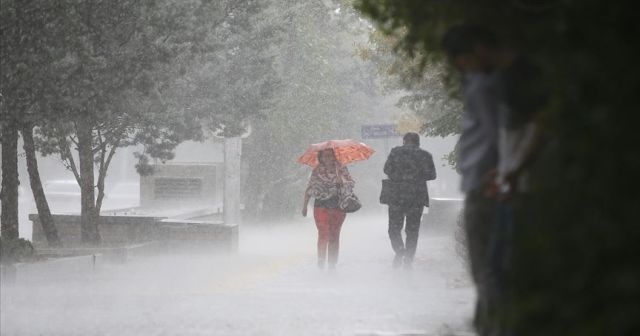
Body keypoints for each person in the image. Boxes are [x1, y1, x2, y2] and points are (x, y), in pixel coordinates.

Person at [441, 24, 503, 336]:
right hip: (484, 181)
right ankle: (489, 322)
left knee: (484, 265)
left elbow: (495, 134)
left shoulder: (480, 86)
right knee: (486, 263)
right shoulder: (485, 83)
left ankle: (491, 324)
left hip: (484, 182)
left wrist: (502, 170)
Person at [382, 132, 436, 270]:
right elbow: (432, 175)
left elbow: (386, 170)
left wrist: (400, 176)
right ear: (418, 142)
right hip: (416, 197)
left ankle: (400, 251)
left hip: (396, 196)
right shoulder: (425, 155)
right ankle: (409, 260)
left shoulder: (395, 152)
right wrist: (415, 176)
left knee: (394, 228)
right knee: (412, 230)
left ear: (404, 140)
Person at [302, 149, 354, 270]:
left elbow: (350, 185)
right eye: (325, 156)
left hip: (338, 206)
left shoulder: (341, 169)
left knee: (334, 235)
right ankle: (321, 260)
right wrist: (304, 206)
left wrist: (342, 182)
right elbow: (310, 188)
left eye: (331, 156)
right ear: (321, 157)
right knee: (323, 233)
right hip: (321, 205)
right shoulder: (317, 170)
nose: (328, 158)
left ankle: (332, 263)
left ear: (335, 157)